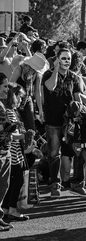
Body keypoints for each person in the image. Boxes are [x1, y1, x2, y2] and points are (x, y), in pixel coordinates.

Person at [42, 48, 86, 197]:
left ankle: (77, 183)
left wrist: (82, 114)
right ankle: (55, 184)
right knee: (54, 154)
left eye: (69, 58)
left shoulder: (74, 77)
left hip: (70, 121)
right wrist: (55, 69)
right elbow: (50, 87)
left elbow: (77, 97)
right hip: (53, 120)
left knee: (77, 151)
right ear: (57, 59)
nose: (67, 61)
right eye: (64, 58)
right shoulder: (48, 75)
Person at [2, 83, 29, 222]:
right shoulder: (8, 112)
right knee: (16, 181)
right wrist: (26, 136)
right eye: (19, 97)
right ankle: (11, 209)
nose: (21, 100)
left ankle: (6, 209)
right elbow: (11, 134)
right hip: (12, 153)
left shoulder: (11, 111)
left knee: (11, 182)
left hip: (15, 152)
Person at [0, 73, 16, 231]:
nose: (7, 89)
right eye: (4, 86)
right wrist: (6, 126)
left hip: (6, 150)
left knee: (3, 186)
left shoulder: (3, 104)